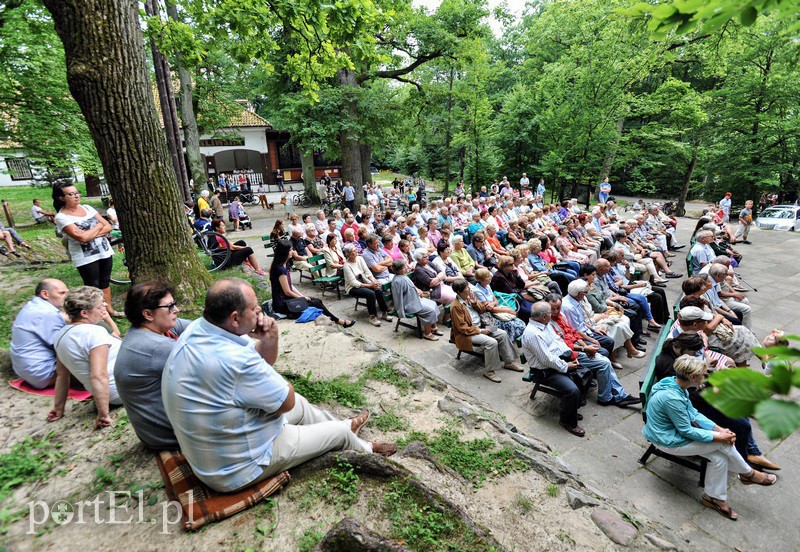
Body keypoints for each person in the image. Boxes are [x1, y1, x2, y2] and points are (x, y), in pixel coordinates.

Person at [162, 278, 395, 492]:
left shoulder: (200, 329)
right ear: (235, 318)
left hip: (219, 444)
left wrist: (270, 339)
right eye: (254, 308)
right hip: (236, 466)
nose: (260, 311)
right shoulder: (235, 360)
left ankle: (347, 427)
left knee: (302, 406)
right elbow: (285, 401)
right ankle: (365, 447)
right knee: (335, 431)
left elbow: (265, 369)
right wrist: (268, 376)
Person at [642, 355, 776, 520]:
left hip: (671, 433)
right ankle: (748, 474)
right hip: (666, 440)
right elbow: (686, 431)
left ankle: (713, 498)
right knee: (724, 445)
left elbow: (694, 414)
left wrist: (720, 429)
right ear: (692, 377)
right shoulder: (672, 398)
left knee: (719, 459)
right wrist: (720, 437)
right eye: (703, 374)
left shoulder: (676, 385)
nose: (705, 377)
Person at [653, 331, 779, 472]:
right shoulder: (669, 365)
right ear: (684, 349)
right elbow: (685, 397)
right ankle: (744, 464)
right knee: (742, 424)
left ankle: (752, 453)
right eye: (694, 353)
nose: (695, 355)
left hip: (695, 401)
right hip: (692, 406)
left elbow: (691, 383)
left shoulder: (678, 356)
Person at [115, 282, 190, 450]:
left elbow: (201, 327)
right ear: (148, 314)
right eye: (170, 306)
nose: (176, 310)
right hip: (168, 436)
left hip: (152, 433)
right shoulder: (156, 347)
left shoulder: (151, 328)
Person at [48, 287, 123, 429]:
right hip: (122, 390)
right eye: (100, 306)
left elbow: (62, 375)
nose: (104, 308)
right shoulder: (95, 333)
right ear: (84, 313)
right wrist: (103, 415)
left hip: (111, 392)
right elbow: (98, 376)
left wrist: (58, 408)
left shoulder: (60, 336)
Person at [53, 183, 118, 316]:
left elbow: (108, 227)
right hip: (86, 257)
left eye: (77, 193)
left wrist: (89, 234)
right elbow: (82, 238)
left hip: (104, 251)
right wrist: (98, 226)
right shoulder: (62, 217)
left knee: (105, 283)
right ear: (61, 198)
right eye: (71, 194)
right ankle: (98, 315)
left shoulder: (87, 208)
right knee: (92, 288)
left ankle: (109, 310)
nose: (76, 196)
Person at [450, 278, 521, 382]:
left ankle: (509, 362)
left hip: (481, 326)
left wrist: (475, 303)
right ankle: (489, 371)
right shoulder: (456, 306)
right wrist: (480, 331)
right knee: (491, 342)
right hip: (468, 333)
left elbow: (483, 310)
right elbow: (462, 328)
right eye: (466, 287)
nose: (469, 288)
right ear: (459, 292)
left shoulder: (470, 298)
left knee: (502, 333)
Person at [269, 239, 354, 327]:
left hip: (287, 298)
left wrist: (302, 296)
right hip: (282, 303)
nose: (293, 251)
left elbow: (290, 286)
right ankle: (338, 321)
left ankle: (335, 320)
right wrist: (302, 298)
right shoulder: (280, 269)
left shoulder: (285, 265)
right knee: (315, 302)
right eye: (290, 250)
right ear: (284, 252)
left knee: (317, 300)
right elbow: (287, 291)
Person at [10, 279, 69, 388]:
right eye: (62, 293)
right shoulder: (47, 314)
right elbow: (65, 348)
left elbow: (62, 317)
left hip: (27, 371)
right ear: (45, 294)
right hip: (44, 374)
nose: (67, 297)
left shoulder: (33, 306)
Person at [391, 259, 442, 341]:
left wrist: (417, 290)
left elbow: (412, 286)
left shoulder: (403, 276)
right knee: (430, 310)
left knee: (433, 304)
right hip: (408, 305)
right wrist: (400, 312)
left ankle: (433, 327)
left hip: (414, 299)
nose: (407, 267)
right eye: (405, 267)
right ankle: (427, 333)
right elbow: (397, 298)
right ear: (401, 270)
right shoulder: (398, 281)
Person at [342, 244, 393, 326]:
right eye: (354, 251)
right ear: (348, 254)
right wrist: (370, 285)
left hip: (365, 281)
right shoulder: (346, 266)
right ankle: (372, 317)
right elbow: (353, 282)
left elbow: (367, 271)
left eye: (356, 250)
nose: (356, 251)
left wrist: (373, 281)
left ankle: (384, 312)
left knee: (378, 290)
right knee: (370, 293)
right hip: (352, 287)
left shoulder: (360, 259)